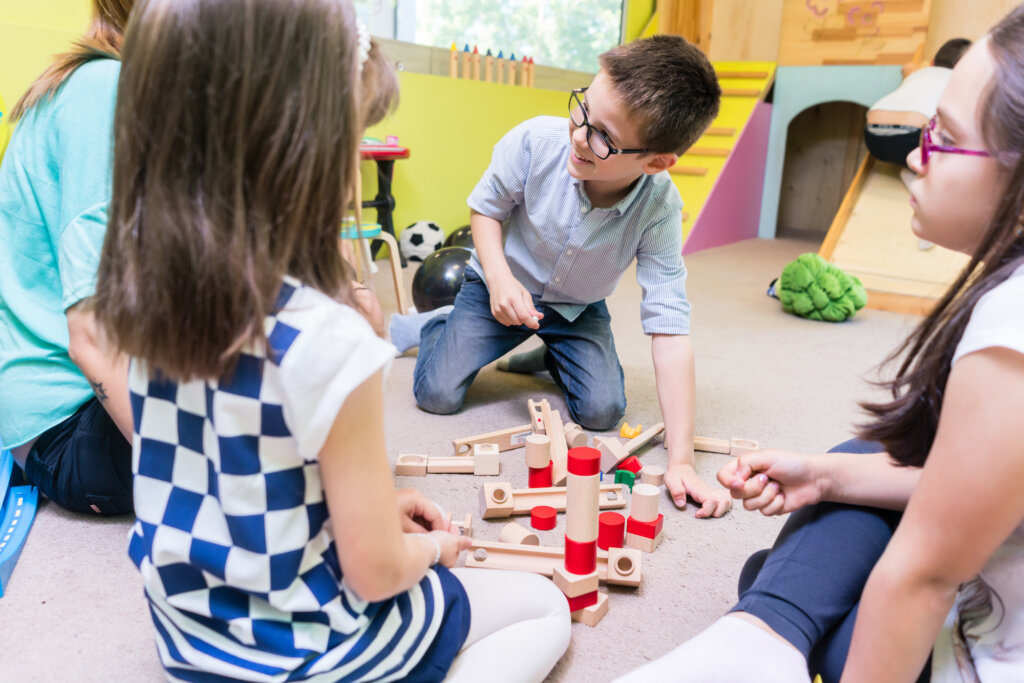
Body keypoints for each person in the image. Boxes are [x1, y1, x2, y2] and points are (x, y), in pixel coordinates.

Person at [92, 1, 570, 680]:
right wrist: (434, 549)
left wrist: (367, 504)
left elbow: (233, 471)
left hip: (193, 642)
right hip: (315, 652)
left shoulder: (143, 296)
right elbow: (375, 572)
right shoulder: (329, 337)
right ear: (303, 151)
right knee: (542, 606)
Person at [618, 7, 1024, 682]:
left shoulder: (1012, 323)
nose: (917, 153)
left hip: (980, 651)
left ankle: (770, 625)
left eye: (944, 137)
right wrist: (826, 475)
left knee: (815, 587)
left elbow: (924, 576)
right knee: (856, 462)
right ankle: (768, 627)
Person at [395, 35, 732, 517]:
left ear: (656, 162)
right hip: (498, 285)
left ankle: (552, 353)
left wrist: (681, 459)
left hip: (577, 307)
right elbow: (484, 210)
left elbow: (670, 324)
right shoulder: (535, 141)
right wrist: (498, 278)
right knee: (436, 396)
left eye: (603, 137)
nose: (578, 135)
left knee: (602, 413)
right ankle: (436, 327)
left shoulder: (660, 208)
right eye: (582, 111)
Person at [0, 0, 135, 515]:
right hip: (68, 430)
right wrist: (183, 485)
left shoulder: (99, 83)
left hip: (64, 418)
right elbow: (90, 336)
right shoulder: (104, 91)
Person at [864, 37, 971, 168]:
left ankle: (915, 168)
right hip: (912, 140)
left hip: (872, 137)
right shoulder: (959, 81)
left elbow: (907, 67)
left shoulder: (918, 73)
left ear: (932, 63)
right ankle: (920, 172)